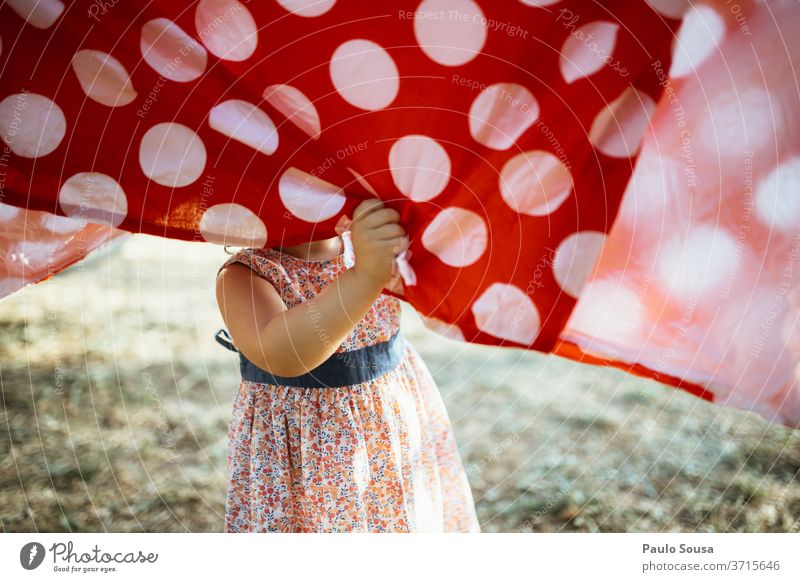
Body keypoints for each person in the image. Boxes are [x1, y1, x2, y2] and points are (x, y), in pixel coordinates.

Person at [214, 198, 480, 532]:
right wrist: (367, 275)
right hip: (306, 458)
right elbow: (284, 354)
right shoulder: (245, 276)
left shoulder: (370, 241)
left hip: (389, 427)